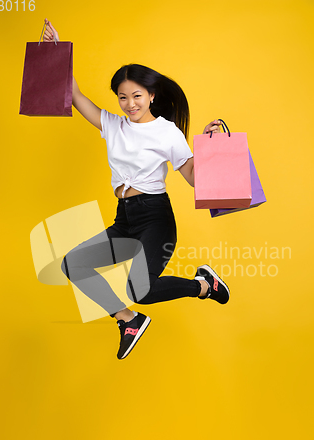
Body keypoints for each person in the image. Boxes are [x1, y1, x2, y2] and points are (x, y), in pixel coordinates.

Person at [43, 19, 230, 360]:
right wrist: (57, 51)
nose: (130, 104)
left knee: (139, 290)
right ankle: (127, 320)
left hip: (155, 217)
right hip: (125, 218)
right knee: (74, 265)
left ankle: (204, 286)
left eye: (137, 96)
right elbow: (74, 95)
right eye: (123, 97)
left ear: (152, 95)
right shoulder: (112, 126)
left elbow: (191, 176)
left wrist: (208, 149)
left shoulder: (167, 132)